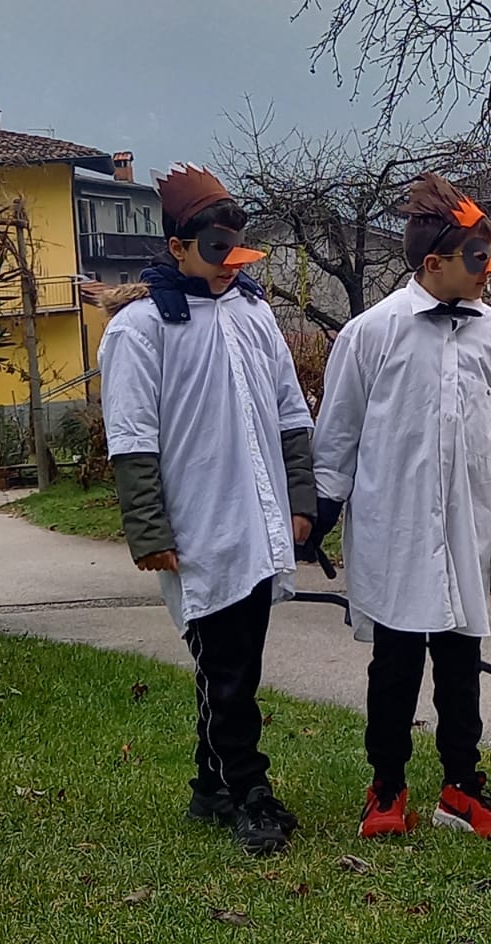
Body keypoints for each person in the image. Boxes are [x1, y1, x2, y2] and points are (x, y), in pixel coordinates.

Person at [308, 172, 491, 839]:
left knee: (461, 663)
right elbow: (338, 433)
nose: (488, 271)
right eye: (476, 258)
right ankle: (387, 787)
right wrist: (321, 509)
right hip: (396, 530)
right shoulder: (371, 334)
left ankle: (462, 787)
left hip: (465, 527)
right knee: (396, 664)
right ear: (434, 263)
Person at [97, 163, 318, 857]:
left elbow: (290, 414)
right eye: (216, 249)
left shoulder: (254, 314)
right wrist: (148, 529)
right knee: (225, 672)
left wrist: (301, 501)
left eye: (237, 249)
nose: (230, 264)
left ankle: (210, 787)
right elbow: (131, 438)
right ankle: (250, 792)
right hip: (196, 531)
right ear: (177, 247)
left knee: (236, 666)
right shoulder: (140, 331)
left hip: (259, 523)